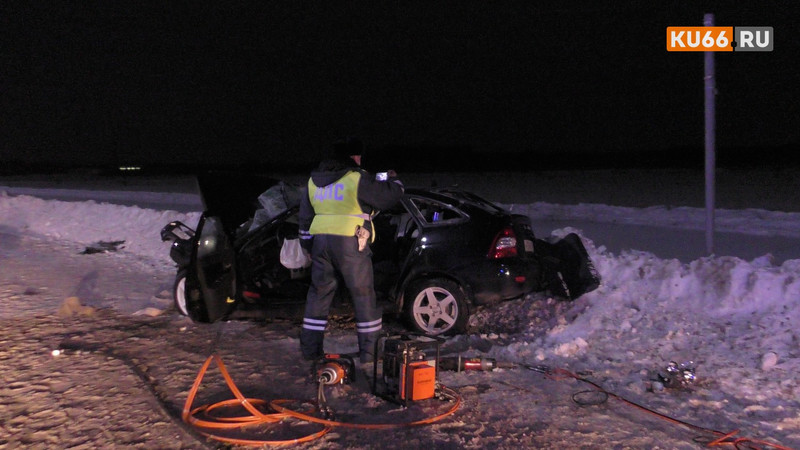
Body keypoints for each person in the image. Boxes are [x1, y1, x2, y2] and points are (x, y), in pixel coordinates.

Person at [298, 138, 404, 364]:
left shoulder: (312, 181)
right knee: (363, 296)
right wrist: (395, 181)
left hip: (320, 245)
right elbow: (387, 197)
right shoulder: (356, 178)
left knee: (318, 296)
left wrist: (308, 247)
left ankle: (310, 351)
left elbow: (305, 220)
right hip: (350, 243)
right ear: (351, 158)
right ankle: (369, 354)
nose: (359, 160)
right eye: (357, 156)